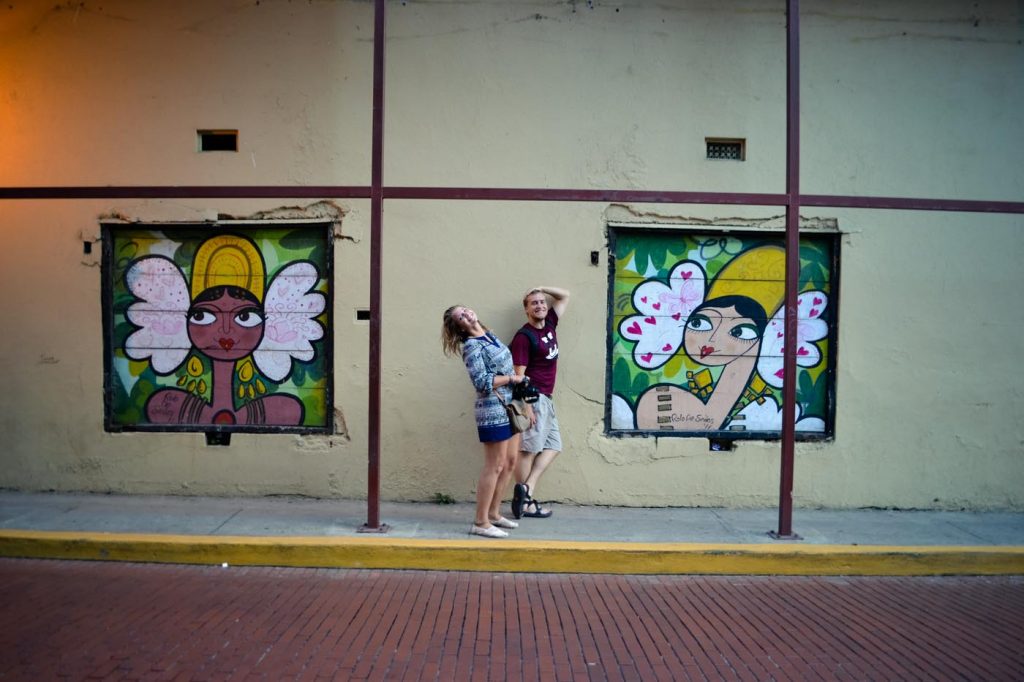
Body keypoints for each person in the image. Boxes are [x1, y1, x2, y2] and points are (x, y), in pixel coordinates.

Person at [442, 304, 529, 538]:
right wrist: (512, 378)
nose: (467, 314)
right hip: (492, 410)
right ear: (457, 326)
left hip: (510, 406)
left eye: (466, 310)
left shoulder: (490, 336)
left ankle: (493, 514)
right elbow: (481, 381)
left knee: (510, 462)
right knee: (495, 465)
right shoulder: (471, 346)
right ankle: (480, 522)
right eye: (460, 316)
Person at [510, 286, 570, 519]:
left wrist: (541, 287)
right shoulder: (524, 338)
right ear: (526, 309)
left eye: (542, 302)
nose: (540, 305)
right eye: (534, 303)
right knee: (528, 451)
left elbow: (564, 296)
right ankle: (525, 503)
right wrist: (526, 406)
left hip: (547, 399)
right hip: (534, 399)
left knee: (554, 446)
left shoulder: (550, 325)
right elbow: (518, 375)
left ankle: (526, 489)